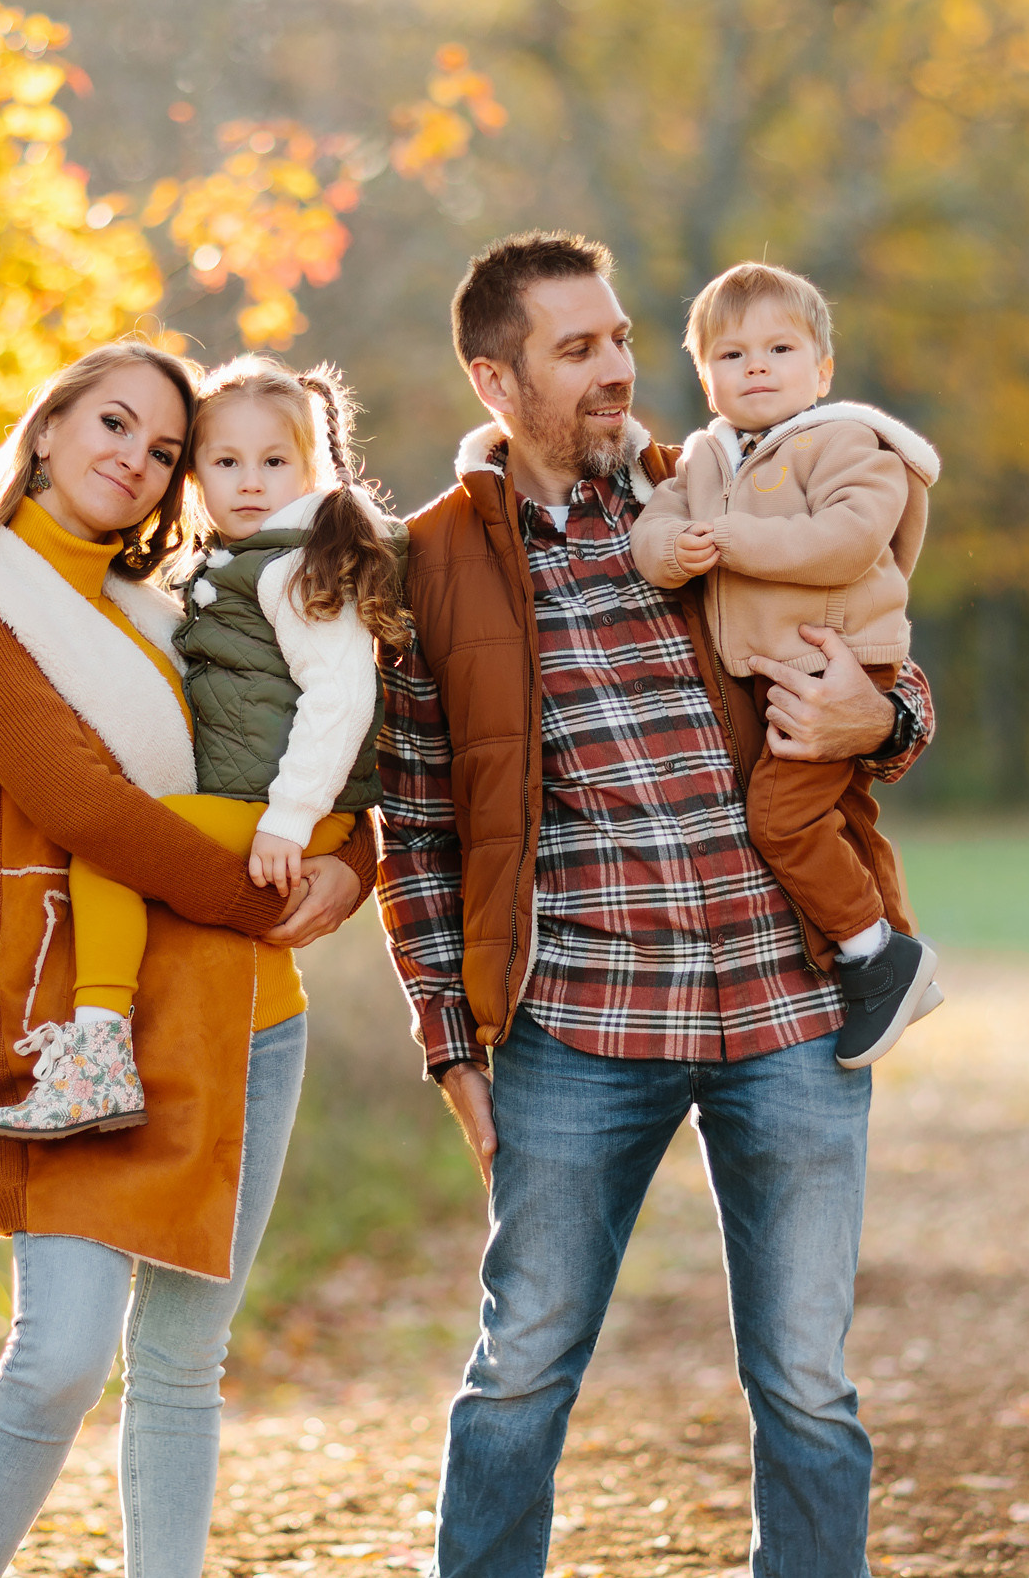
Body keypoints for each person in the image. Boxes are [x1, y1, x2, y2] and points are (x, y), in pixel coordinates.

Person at [379, 233, 935, 1578]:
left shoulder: (720, 487)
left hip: (787, 1000)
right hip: (579, 1020)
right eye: (579, 351)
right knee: (519, 1365)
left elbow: (873, 637)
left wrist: (889, 716)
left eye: (623, 339)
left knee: (806, 1378)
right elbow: (418, 820)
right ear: (493, 375)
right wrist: (452, 1043)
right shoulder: (434, 561)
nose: (619, 371)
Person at [0, 342, 377, 1578]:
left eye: (165, 449)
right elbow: (88, 810)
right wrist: (260, 898)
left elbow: (284, 745)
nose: (137, 458)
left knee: (180, 1369)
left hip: (249, 1013)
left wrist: (351, 866)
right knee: (57, 1358)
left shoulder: (175, 600)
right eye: (115, 424)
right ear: (48, 425)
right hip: (77, 1026)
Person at [0, 355, 409, 1137]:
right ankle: (100, 1048)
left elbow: (344, 696)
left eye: (274, 462)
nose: (250, 482)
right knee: (107, 850)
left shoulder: (288, 569)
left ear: (310, 468)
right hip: (260, 828)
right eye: (224, 462)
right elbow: (97, 799)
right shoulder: (206, 576)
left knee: (104, 860)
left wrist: (309, 831)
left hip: (279, 826)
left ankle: (98, 1050)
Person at [631, 262, 945, 1068]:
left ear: (822, 369)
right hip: (778, 672)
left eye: (779, 347)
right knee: (837, 816)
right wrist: (677, 547)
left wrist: (734, 541)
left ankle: (875, 951)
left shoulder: (843, 441)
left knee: (779, 816)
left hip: (840, 663)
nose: (758, 366)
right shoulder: (704, 458)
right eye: (732, 356)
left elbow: (848, 537)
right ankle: (887, 948)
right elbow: (653, 533)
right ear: (706, 377)